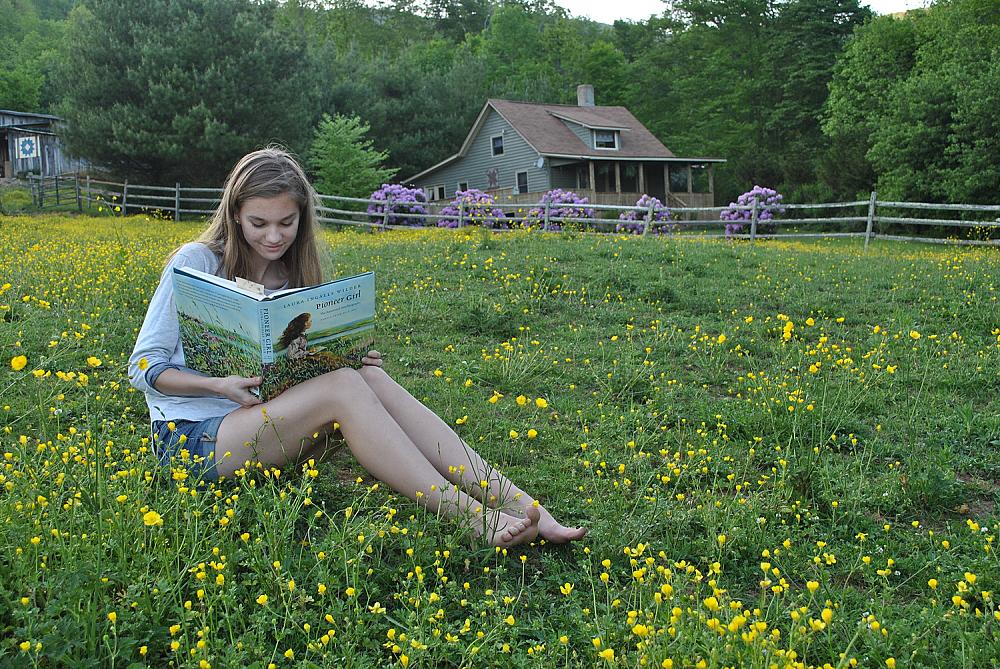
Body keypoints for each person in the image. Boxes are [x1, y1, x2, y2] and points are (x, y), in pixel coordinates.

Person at [128, 147, 586, 549]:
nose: (273, 237)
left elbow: (298, 368)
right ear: (234, 216)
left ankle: (520, 503)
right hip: (189, 439)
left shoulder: (294, 273)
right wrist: (218, 384)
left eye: (287, 223)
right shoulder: (197, 261)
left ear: (302, 218)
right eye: (258, 223)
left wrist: (341, 356)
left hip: (259, 424)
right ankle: (474, 518)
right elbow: (142, 366)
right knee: (346, 387)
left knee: (365, 376)